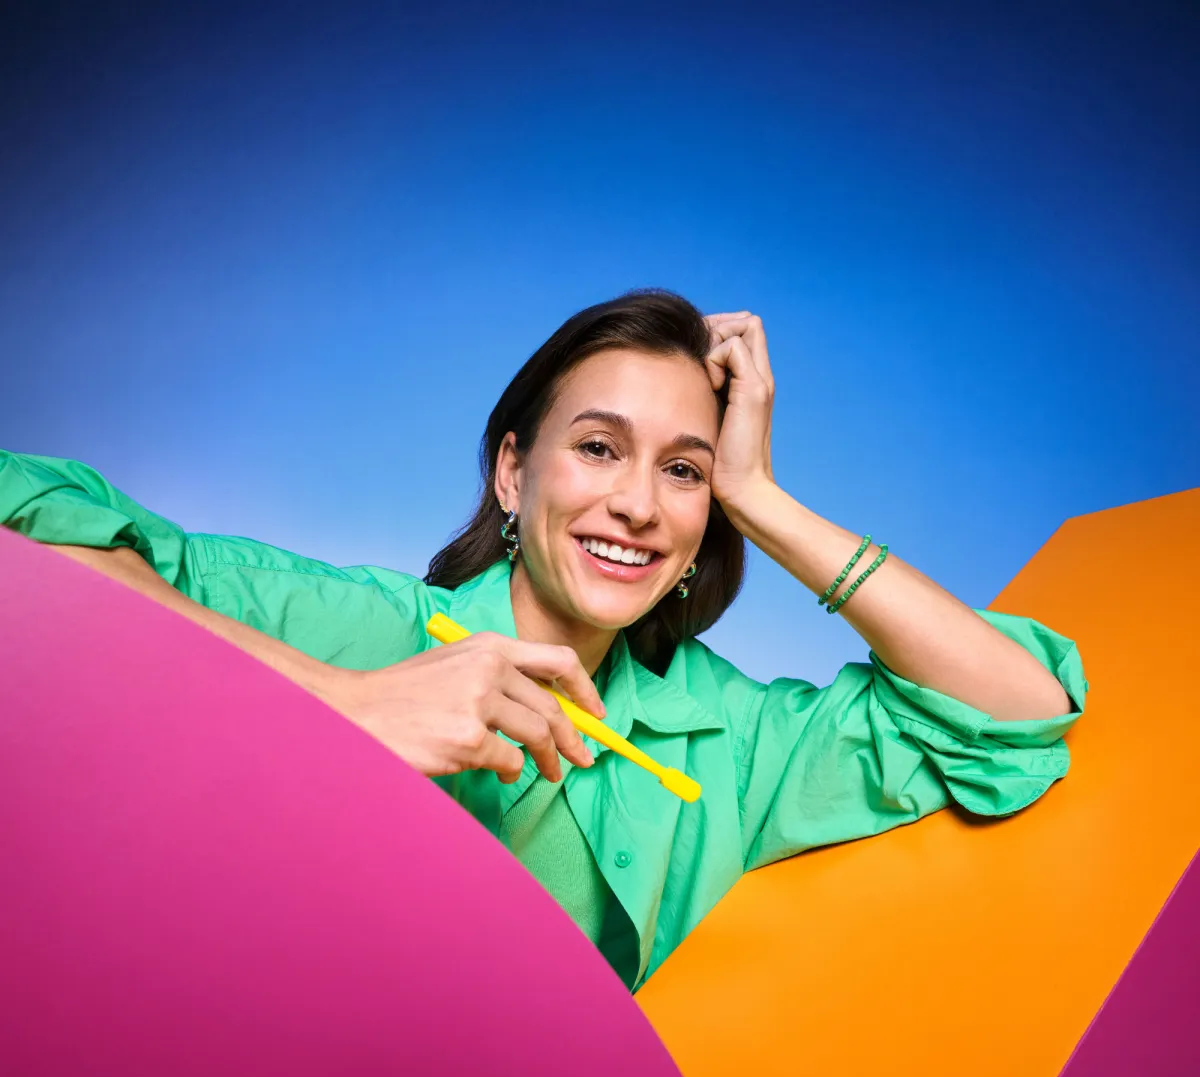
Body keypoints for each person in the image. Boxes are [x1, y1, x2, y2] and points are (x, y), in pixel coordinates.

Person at [0, 288, 1088, 992]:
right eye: (599, 449)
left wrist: (760, 497)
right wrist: (343, 703)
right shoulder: (375, 629)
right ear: (514, 474)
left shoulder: (732, 745)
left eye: (683, 471)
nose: (639, 506)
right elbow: (27, 518)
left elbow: (1017, 714)